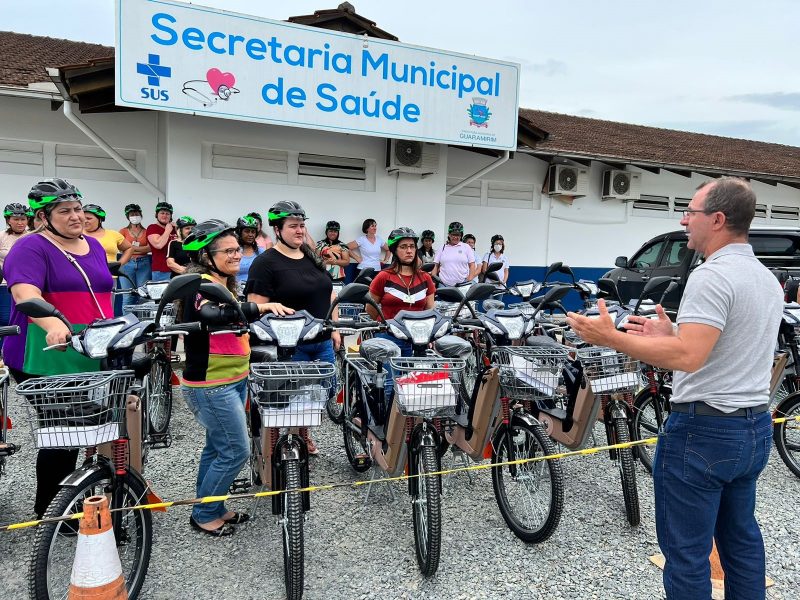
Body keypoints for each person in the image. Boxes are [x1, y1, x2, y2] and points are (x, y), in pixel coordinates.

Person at [566, 177, 781, 600]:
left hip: (705, 432)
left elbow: (688, 358)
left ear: (717, 220)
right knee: (741, 540)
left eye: (692, 212)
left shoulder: (712, 276)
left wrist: (609, 338)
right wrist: (675, 330)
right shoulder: (763, 277)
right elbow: (726, 342)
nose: (684, 220)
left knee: (687, 554)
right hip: (753, 428)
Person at [3, 178, 114, 519]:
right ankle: (51, 512)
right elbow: (26, 295)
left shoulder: (93, 246)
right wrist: (54, 324)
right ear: (43, 216)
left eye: (78, 209)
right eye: (64, 211)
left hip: (90, 350)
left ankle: (77, 494)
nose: (76, 216)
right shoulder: (30, 247)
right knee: (62, 434)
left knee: (90, 427)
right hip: (46, 354)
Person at [180, 219, 292, 536]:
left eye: (237, 250)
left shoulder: (222, 284)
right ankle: (204, 514)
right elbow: (211, 315)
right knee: (236, 450)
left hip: (230, 380)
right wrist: (261, 308)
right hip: (211, 385)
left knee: (217, 448)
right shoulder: (200, 285)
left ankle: (212, 507)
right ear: (205, 255)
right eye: (228, 251)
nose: (236, 255)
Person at [245, 201, 341, 455]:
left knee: (324, 389)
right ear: (277, 229)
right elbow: (255, 306)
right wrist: (272, 307)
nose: (299, 230)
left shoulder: (310, 256)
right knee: (293, 396)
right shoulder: (265, 263)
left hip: (320, 338)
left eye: (302, 225)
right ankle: (293, 438)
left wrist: (335, 327)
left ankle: (300, 432)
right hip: (289, 343)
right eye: (293, 226)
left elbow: (329, 294)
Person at [367, 227, 435, 399]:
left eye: (412, 246)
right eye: (403, 246)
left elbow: (430, 311)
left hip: (416, 341)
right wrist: (383, 325)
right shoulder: (384, 277)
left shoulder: (425, 278)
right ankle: (389, 425)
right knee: (391, 387)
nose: (409, 250)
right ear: (395, 250)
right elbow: (370, 307)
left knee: (417, 388)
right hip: (389, 338)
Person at [119, 203, 152, 307]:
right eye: (132, 215)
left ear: (141, 215)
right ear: (128, 217)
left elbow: (149, 248)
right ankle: (128, 321)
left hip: (144, 264)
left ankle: (142, 322)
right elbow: (121, 249)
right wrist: (139, 250)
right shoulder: (123, 231)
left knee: (143, 295)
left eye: (136, 214)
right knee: (128, 296)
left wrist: (131, 249)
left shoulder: (147, 231)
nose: (134, 217)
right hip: (127, 264)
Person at [432, 221, 478, 286]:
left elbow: (472, 265)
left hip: (462, 284)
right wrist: (433, 280)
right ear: (449, 234)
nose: (455, 237)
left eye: (458, 235)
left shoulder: (466, 247)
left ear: (461, 235)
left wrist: (469, 278)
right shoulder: (442, 248)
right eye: (453, 234)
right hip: (444, 285)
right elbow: (435, 265)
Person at [146, 201, 176, 281]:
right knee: (161, 294)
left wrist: (178, 229)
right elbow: (158, 245)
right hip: (161, 271)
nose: (165, 216)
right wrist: (167, 231)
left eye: (167, 214)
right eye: (162, 213)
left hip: (177, 269)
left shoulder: (175, 229)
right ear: (157, 215)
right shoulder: (152, 228)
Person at [315, 220, 350, 286]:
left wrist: (334, 262)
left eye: (335, 231)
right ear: (326, 232)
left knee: (336, 296)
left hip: (338, 277)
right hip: (322, 276)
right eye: (330, 231)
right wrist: (325, 261)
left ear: (338, 233)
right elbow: (316, 259)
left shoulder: (342, 245)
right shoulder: (320, 244)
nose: (333, 233)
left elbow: (346, 262)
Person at [235, 215, 260, 293]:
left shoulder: (261, 252)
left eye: (253, 232)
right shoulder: (233, 252)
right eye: (247, 231)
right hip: (236, 293)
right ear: (239, 232)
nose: (250, 235)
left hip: (256, 292)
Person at [0, 203, 30, 267]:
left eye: (23, 219)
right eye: (16, 219)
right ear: (8, 221)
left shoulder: (33, 237)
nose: (20, 223)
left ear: (27, 220)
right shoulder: (1, 236)